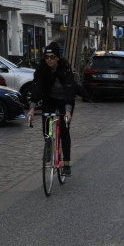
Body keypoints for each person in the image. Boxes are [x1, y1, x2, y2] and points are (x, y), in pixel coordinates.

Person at [27, 42, 88, 177]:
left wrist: (67, 111)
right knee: (46, 124)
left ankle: (66, 163)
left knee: (64, 130)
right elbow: (37, 86)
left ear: (57, 58)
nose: (49, 59)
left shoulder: (65, 68)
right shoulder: (42, 68)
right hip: (49, 98)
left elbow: (69, 89)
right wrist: (32, 108)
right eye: (46, 57)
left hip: (65, 99)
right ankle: (49, 146)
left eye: (52, 57)